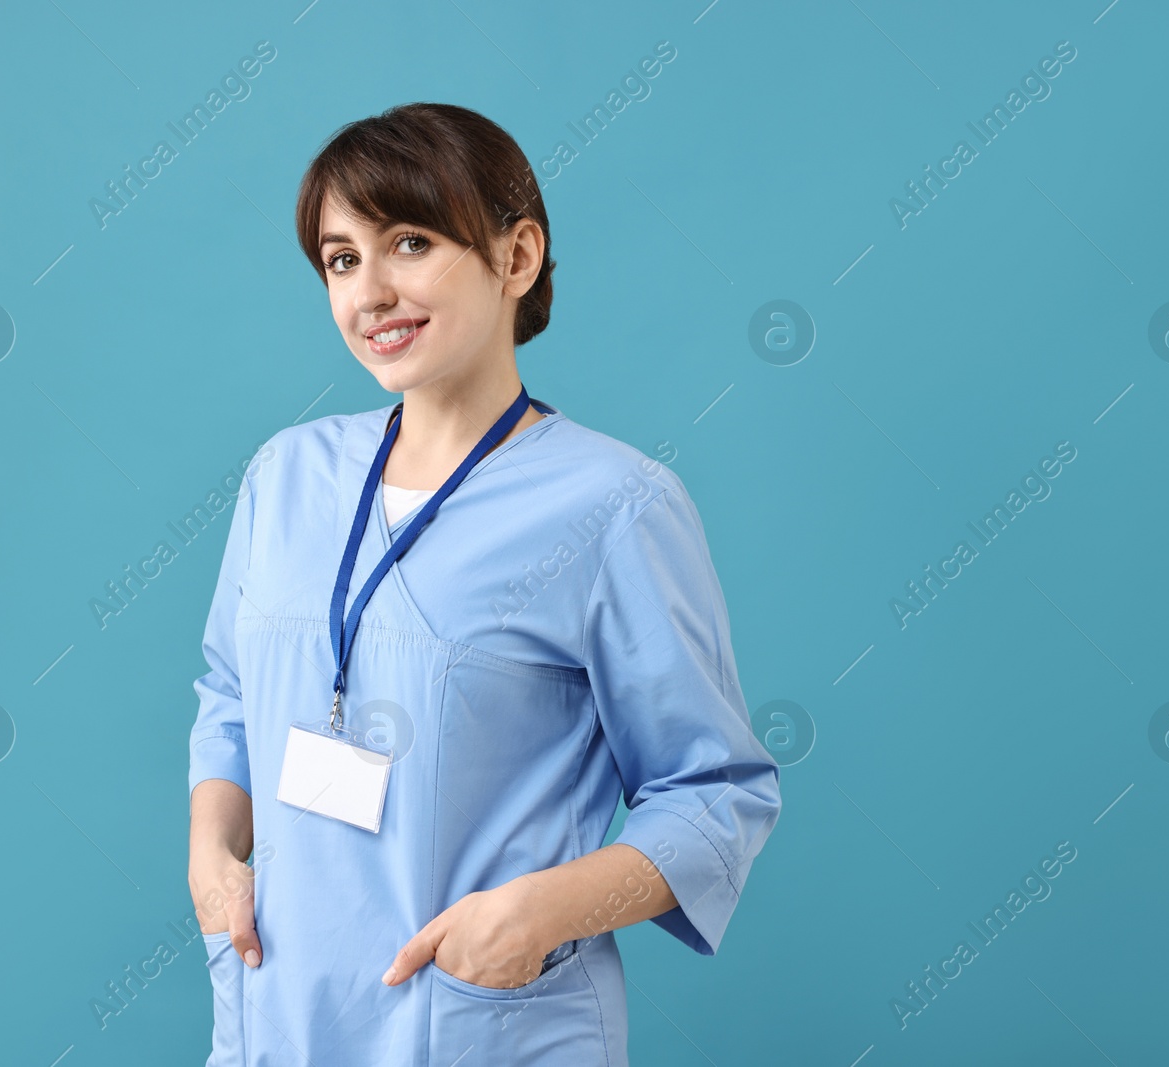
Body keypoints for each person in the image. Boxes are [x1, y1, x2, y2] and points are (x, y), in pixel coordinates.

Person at [186, 101, 781, 1066]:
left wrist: (537, 913)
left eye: (409, 242)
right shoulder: (285, 476)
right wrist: (212, 852)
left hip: (478, 1026)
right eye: (341, 259)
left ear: (517, 258)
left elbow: (717, 794)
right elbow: (227, 691)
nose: (370, 292)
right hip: (276, 1020)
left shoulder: (614, 505)